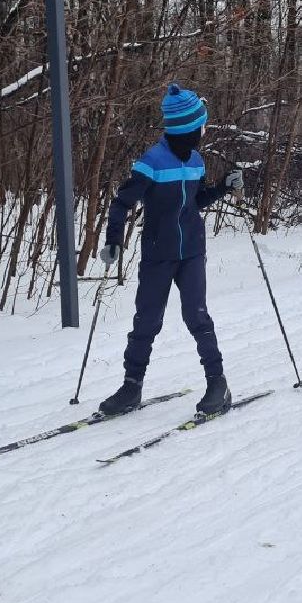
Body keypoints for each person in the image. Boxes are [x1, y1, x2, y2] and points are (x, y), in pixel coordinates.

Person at [97, 83, 243, 417]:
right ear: (189, 128)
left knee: (197, 317)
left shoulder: (195, 160)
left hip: (191, 252)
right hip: (158, 255)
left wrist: (223, 187)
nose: (204, 131)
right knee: (146, 320)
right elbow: (121, 204)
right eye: (201, 126)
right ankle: (131, 386)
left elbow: (196, 201)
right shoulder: (151, 163)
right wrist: (113, 240)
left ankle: (217, 384)